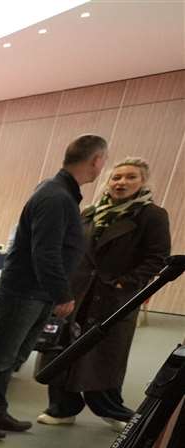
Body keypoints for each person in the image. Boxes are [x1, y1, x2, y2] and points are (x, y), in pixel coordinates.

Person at [0, 134, 108, 440]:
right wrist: (62, 293)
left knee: (13, 357)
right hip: (24, 291)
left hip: (35, 292)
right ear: (96, 161)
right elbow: (46, 251)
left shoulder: (61, 192)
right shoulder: (56, 197)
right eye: (103, 161)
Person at [39, 156, 170, 430]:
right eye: (116, 177)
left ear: (143, 182)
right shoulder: (89, 212)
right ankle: (62, 409)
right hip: (78, 292)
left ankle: (112, 410)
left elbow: (157, 258)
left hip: (115, 297)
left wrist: (126, 283)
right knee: (64, 350)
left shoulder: (152, 215)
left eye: (130, 177)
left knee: (105, 356)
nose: (121, 182)